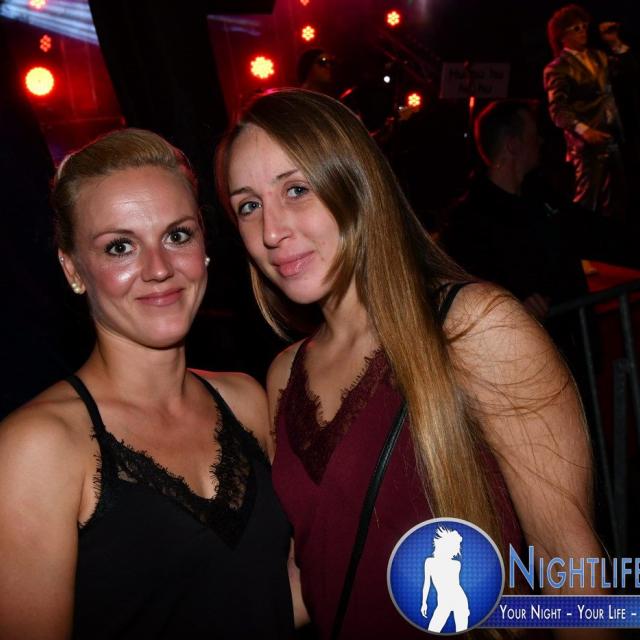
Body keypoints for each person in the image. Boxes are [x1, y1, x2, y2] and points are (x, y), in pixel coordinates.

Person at [215, 89, 606, 639]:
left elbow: (575, 572)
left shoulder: (474, 328)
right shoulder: (285, 374)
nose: (271, 231)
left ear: (357, 184)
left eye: (296, 189)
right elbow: (319, 574)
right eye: (248, 206)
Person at [0, 129, 295, 639]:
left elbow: (269, 599)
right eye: (120, 247)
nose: (159, 269)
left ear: (204, 246)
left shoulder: (246, 399)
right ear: (72, 268)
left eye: (177, 236)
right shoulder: (37, 448)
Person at [544, 4, 626, 220]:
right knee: (587, 198)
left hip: (613, 134)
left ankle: (609, 236)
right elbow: (558, 109)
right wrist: (584, 131)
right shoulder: (557, 67)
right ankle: (576, 235)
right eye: (576, 28)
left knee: (616, 198)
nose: (583, 31)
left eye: (584, 26)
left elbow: (628, 71)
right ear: (562, 36)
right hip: (586, 143)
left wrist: (615, 44)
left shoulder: (599, 56)